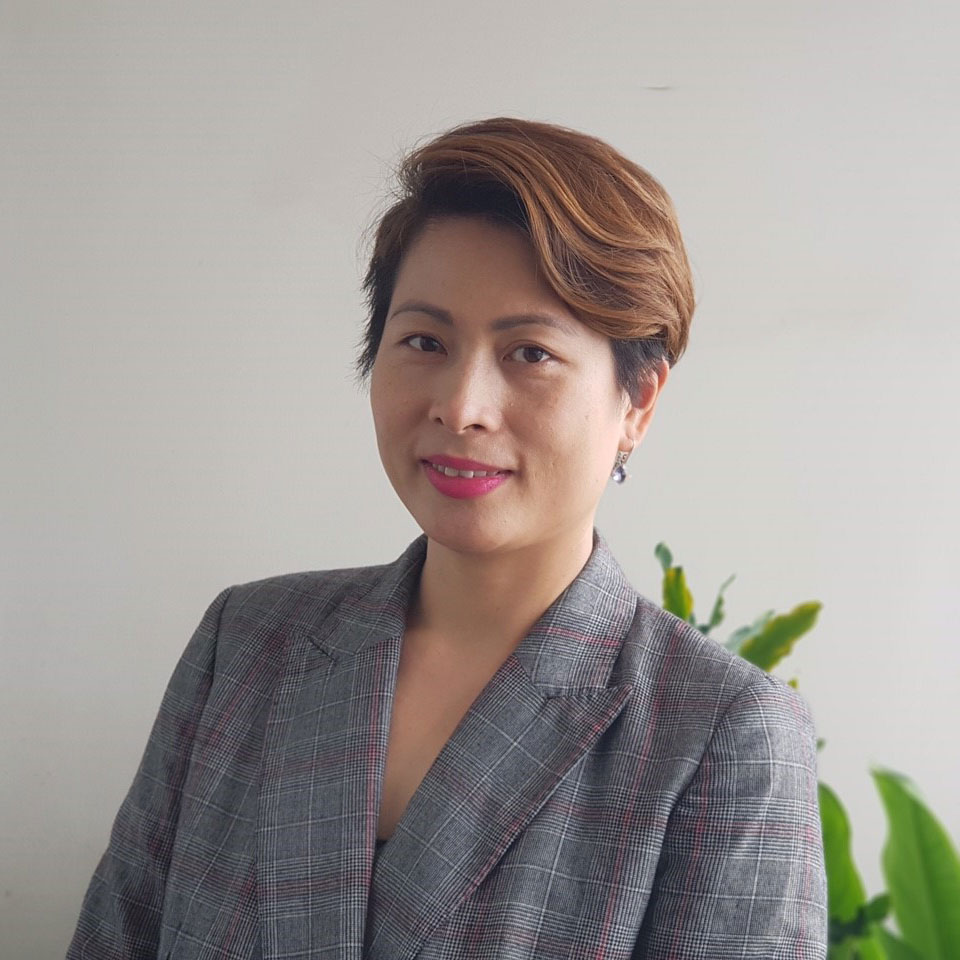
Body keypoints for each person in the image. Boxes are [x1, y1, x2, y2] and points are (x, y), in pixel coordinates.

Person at [66, 117, 828, 959]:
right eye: (425, 341)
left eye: (529, 353)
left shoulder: (719, 732)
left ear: (637, 401)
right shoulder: (245, 645)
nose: (461, 407)